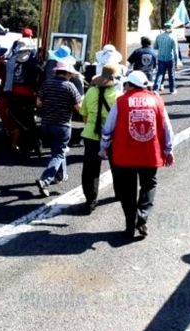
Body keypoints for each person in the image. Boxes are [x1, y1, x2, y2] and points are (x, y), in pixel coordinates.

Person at [100, 71, 175, 239]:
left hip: (125, 154)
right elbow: (166, 127)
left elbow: (108, 128)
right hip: (150, 153)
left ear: (130, 84)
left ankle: (129, 225)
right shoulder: (157, 100)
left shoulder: (121, 101)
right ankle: (142, 215)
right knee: (149, 185)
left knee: (127, 190)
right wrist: (168, 150)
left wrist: (104, 147)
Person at [35, 61, 83, 198]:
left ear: (56, 71)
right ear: (67, 73)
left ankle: (61, 175)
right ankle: (45, 180)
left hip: (46, 124)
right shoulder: (70, 86)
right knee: (58, 154)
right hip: (62, 125)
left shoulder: (47, 83)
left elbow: (38, 103)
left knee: (57, 150)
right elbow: (78, 107)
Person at [80, 64, 120, 214]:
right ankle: (120, 193)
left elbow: (84, 114)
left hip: (91, 134)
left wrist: (91, 125)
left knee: (90, 170)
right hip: (112, 136)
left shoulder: (90, 91)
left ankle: (90, 200)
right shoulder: (117, 96)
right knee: (117, 166)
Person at [153, 25, 179, 95]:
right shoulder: (173, 37)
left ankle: (155, 89)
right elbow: (175, 52)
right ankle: (172, 90)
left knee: (159, 74)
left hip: (161, 58)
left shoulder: (159, 36)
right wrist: (177, 62)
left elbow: (155, 47)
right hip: (170, 58)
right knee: (171, 74)